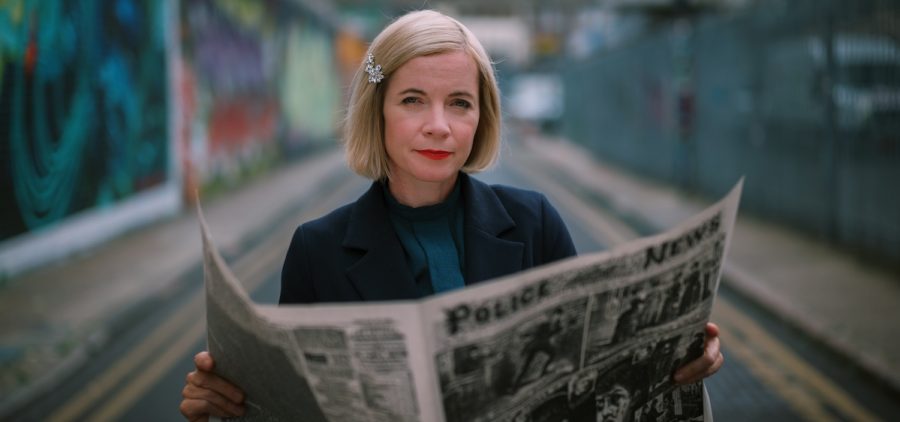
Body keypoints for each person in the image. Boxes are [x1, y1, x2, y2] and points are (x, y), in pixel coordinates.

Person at [179, 9, 724, 421]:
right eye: (413, 99)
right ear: (379, 112)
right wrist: (225, 409)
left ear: (480, 117)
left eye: (459, 103)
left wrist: (676, 372)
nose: (439, 125)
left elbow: (587, 391)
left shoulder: (535, 222)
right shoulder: (316, 248)